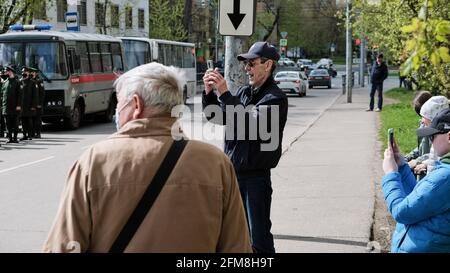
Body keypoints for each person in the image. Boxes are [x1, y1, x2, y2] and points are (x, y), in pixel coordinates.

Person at [43, 62, 252, 253]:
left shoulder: (94, 162)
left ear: (136, 104)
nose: (116, 111)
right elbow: (237, 250)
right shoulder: (215, 163)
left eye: (118, 103)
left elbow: (64, 246)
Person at [202, 41, 288, 253]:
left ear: (268, 65)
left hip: (255, 179)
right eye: (245, 64)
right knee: (232, 237)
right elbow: (217, 117)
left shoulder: (275, 98)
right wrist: (209, 93)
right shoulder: (243, 94)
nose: (247, 69)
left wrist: (224, 93)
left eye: (251, 63)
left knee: (257, 239)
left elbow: (251, 124)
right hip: (232, 175)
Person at [382, 108, 450, 252]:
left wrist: (390, 174)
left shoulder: (445, 176)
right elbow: (420, 199)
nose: (430, 142)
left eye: (433, 136)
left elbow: (402, 212)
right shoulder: (444, 170)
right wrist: (401, 166)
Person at [409, 96, 449, 177]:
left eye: (425, 122)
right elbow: (425, 149)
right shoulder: (433, 133)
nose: (422, 123)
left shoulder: (441, 139)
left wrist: (419, 161)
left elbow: (440, 157)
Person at [405, 91, 432, 165]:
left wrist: (417, 161)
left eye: (423, 116)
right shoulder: (423, 125)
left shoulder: (438, 130)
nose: (421, 120)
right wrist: (408, 157)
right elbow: (421, 147)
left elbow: (436, 154)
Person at [1, 65, 22, 144]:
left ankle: (15, 138)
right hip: (6, 107)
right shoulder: (5, 82)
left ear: (11, 72)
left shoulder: (17, 82)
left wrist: (19, 105)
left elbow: (20, 95)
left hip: (15, 106)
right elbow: (2, 95)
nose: (5, 72)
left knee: (15, 123)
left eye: (7, 71)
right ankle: (10, 138)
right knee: (8, 124)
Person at [19, 66, 38, 141]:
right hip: (22, 105)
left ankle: (30, 135)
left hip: (30, 105)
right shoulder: (20, 81)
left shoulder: (32, 82)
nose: (24, 73)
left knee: (29, 121)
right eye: (23, 71)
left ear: (28, 72)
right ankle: (24, 135)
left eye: (25, 71)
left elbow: (35, 95)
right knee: (23, 121)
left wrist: (33, 105)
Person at [30, 67, 45, 138]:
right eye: (31, 72)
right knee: (32, 119)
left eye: (33, 72)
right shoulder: (30, 80)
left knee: (37, 120)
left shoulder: (39, 81)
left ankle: (38, 133)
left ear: (36, 73)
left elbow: (42, 94)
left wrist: (39, 104)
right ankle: (32, 133)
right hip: (31, 104)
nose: (32, 74)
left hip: (38, 104)